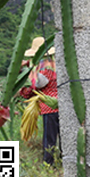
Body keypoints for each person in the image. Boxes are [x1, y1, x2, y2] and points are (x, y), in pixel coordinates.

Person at [23, 37, 60, 166]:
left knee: (49, 138)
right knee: (64, 136)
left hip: (49, 108)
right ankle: (65, 161)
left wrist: (27, 73)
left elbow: (39, 83)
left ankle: (48, 163)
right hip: (61, 105)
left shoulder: (44, 67)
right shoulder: (55, 64)